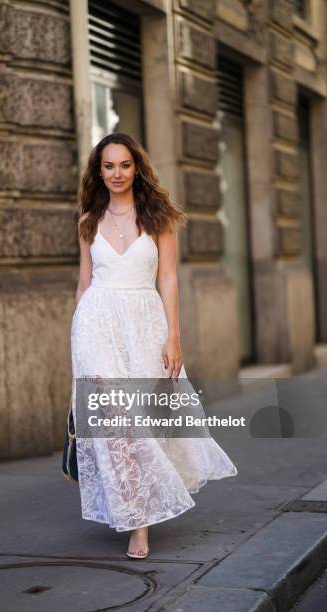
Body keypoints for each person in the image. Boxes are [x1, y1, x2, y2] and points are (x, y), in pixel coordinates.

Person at [70, 133, 237, 559]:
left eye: (124, 165)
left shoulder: (158, 217)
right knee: (118, 430)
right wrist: (77, 342)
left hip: (145, 325)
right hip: (97, 327)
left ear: (137, 168)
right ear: (99, 172)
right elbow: (84, 283)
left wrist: (174, 336)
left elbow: (168, 279)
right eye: (109, 166)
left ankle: (140, 508)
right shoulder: (89, 219)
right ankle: (137, 525)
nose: (117, 174)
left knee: (144, 422)